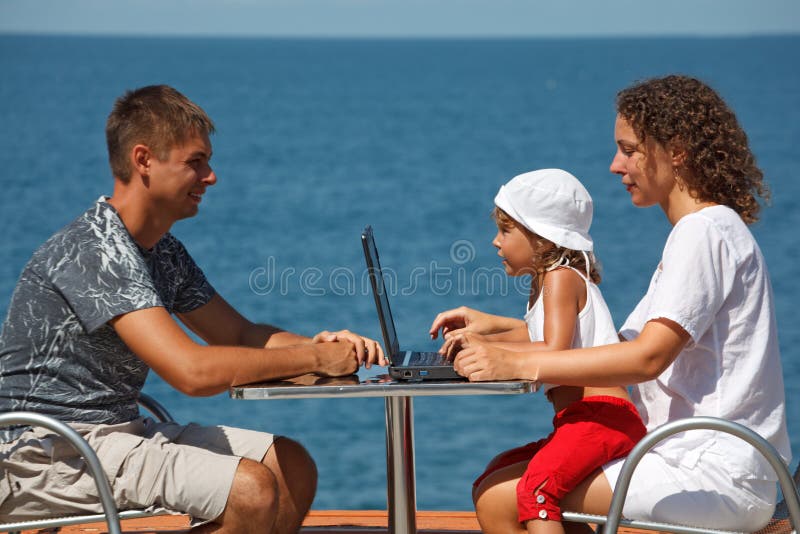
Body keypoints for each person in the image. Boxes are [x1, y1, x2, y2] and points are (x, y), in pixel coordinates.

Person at [0, 85, 385, 534]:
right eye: (195, 161)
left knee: (291, 466)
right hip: (43, 454)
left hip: (118, 433)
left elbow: (240, 335)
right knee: (250, 490)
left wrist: (326, 346)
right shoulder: (96, 251)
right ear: (144, 160)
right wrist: (315, 360)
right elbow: (191, 372)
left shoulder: (161, 251)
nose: (211, 176)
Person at [433, 75, 791, 532]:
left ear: (676, 150)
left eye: (629, 149)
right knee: (497, 483)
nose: (615, 165)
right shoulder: (705, 232)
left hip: (713, 473)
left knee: (503, 499)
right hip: (693, 458)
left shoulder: (704, 233)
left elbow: (647, 358)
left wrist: (518, 364)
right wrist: (501, 329)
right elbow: (605, 342)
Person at [431, 168, 646, 534]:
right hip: (582, 420)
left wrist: (486, 346)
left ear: (543, 238)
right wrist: (485, 330)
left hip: (601, 417)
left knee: (537, 492)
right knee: (499, 470)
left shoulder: (560, 277)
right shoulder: (548, 280)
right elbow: (538, 334)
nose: (496, 242)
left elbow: (552, 350)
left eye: (506, 230)